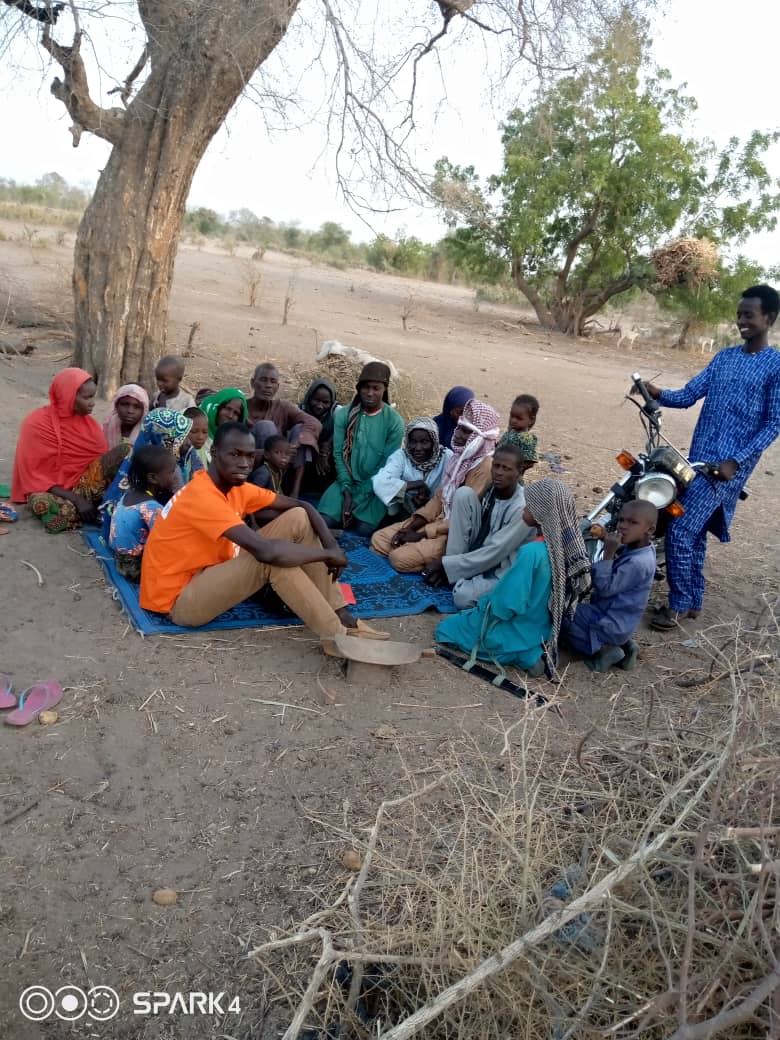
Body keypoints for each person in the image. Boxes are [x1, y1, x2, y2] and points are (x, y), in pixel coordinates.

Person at [139, 422, 385, 643]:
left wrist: (332, 545)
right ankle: (338, 637)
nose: (244, 464)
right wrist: (324, 555)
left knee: (298, 518)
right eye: (234, 455)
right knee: (271, 561)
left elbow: (303, 505)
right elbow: (267, 552)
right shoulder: (203, 496)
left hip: (205, 572)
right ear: (214, 454)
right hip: (178, 601)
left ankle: (342, 614)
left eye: (248, 456)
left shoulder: (233, 486)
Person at [638, 284, 780, 630]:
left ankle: (679, 603)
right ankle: (694, 600)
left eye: (749, 315)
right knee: (695, 532)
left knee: (680, 529)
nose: (741, 321)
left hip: (727, 469)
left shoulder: (776, 365)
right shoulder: (725, 357)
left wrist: (737, 461)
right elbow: (688, 395)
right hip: (698, 460)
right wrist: (658, 394)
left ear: (769, 318)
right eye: (739, 315)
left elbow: (774, 423)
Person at [435, 479, 591, 678]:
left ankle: (520, 655)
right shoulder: (565, 550)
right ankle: (531, 655)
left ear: (541, 513)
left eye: (529, 505)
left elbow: (507, 605)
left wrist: (483, 606)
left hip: (515, 628)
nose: (524, 509)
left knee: (447, 629)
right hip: (540, 631)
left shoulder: (531, 552)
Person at [370, 399, 500, 573]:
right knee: (378, 540)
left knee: (398, 558)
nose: (459, 435)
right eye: (459, 427)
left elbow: (463, 519)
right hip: (435, 520)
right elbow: (440, 498)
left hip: (452, 533)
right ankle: (418, 551)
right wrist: (411, 527)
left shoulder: (484, 468)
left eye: (467, 431)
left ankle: (441, 565)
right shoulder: (460, 457)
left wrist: (422, 534)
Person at [11, 368, 130, 532]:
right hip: (57, 492)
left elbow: (99, 463)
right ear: (68, 396)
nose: (92, 403)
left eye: (92, 396)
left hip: (88, 484)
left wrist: (87, 494)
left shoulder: (89, 425)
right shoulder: (35, 424)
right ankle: (93, 513)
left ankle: (101, 508)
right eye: (86, 397)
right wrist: (76, 500)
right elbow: (35, 477)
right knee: (40, 502)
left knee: (125, 452)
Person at [420, 442, 535, 609]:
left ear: (519, 472)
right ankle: (454, 570)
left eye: (506, 469)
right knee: (464, 494)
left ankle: (454, 573)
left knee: (463, 596)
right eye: (496, 466)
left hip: (502, 568)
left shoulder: (521, 507)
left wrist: (444, 564)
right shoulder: (492, 490)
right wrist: (449, 563)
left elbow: (496, 552)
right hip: (480, 550)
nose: (499, 473)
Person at [561, 501, 658, 671]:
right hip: (620, 622)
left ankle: (602, 652)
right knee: (575, 611)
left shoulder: (638, 563)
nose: (623, 526)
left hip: (608, 622)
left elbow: (605, 588)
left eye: (633, 523)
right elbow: (624, 553)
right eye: (621, 520)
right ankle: (627, 647)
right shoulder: (644, 550)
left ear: (650, 530)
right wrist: (605, 537)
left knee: (562, 614)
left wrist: (608, 554)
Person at [318, 362, 405, 536]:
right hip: (346, 482)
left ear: (384, 390)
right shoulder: (344, 415)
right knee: (324, 521)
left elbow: (387, 466)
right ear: (359, 388)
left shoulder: (394, 422)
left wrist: (360, 496)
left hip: (375, 486)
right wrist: (346, 490)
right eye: (365, 387)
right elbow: (338, 454)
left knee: (363, 529)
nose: (370, 393)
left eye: (376, 388)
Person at [100, 408, 203, 538]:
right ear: (165, 440)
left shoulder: (168, 460)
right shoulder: (146, 476)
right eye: (181, 438)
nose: (188, 442)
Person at [246, 363, 322, 498]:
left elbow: (313, 422)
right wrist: (268, 453)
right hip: (254, 470)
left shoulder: (282, 406)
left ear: (277, 387)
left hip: (281, 469)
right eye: (263, 380)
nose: (268, 385)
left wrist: (295, 444)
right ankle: (265, 493)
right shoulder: (242, 408)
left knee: (301, 430)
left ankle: (295, 491)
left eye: (273, 381)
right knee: (266, 427)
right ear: (253, 383)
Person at [109, 444, 178, 581]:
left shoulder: (129, 494)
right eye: (171, 472)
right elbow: (164, 542)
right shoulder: (151, 508)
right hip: (134, 567)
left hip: (119, 558)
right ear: (153, 478)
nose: (175, 477)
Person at [371, 417, 451, 519]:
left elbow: (452, 489)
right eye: (413, 442)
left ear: (434, 442)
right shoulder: (401, 456)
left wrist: (429, 502)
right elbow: (379, 482)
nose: (418, 448)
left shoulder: (446, 457)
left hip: (439, 514)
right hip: (407, 512)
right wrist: (416, 484)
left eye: (424, 442)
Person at [298, 377, 340, 496]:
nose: (320, 406)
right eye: (316, 400)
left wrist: (326, 447)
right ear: (309, 397)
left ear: (331, 402)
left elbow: (343, 432)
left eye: (325, 402)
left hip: (328, 459)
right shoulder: (300, 410)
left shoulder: (336, 412)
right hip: (307, 457)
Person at [500, 393, 539, 470]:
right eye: (512, 416)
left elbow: (529, 462)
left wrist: (512, 467)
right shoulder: (511, 433)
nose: (513, 420)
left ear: (531, 420)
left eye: (519, 418)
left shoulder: (526, 438)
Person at [102, 384, 149, 448]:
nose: (130, 411)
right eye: (125, 404)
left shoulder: (148, 433)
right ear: (116, 405)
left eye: (137, 407)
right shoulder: (107, 426)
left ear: (144, 410)